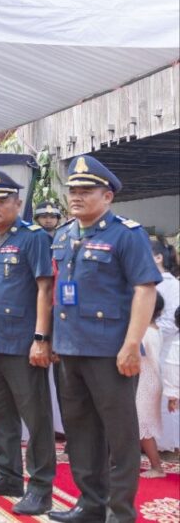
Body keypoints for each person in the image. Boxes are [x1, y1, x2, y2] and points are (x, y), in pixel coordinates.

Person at [48, 156, 161, 523]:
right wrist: (51, 339)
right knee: (81, 432)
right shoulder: (64, 234)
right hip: (70, 349)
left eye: (86, 190)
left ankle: (119, 512)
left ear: (107, 196)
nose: (76, 197)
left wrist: (131, 344)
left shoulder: (126, 234)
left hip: (111, 352)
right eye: (73, 190)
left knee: (120, 435)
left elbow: (145, 290)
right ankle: (90, 504)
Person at [0, 169, 56, 516]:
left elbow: (45, 289)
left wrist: (40, 338)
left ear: (17, 203)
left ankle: (41, 487)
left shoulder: (33, 237)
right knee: (0, 414)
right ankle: (8, 475)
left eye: (1, 201)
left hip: (22, 343)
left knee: (36, 418)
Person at [152, 242, 180, 452]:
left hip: (166, 349)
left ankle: (169, 445)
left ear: (158, 257)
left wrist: (148, 331)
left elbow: (172, 322)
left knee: (167, 397)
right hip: (148, 348)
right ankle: (151, 440)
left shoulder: (172, 285)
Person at [137, 295, 165, 478]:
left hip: (146, 381)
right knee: (141, 424)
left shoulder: (146, 332)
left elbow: (145, 357)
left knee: (143, 425)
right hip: (148, 380)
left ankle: (157, 467)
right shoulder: (155, 329)